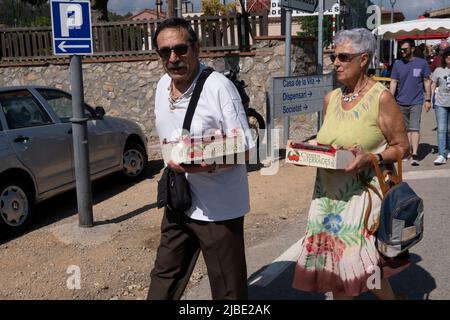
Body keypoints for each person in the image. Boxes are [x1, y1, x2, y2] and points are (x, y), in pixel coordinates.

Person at [292, 28, 411, 300]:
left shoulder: (381, 98)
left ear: (364, 59)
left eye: (344, 57)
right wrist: (306, 153)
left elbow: (403, 147)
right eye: (335, 56)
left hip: (362, 196)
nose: (336, 63)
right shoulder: (330, 99)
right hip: (326, 197)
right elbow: (329, 143)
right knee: (337, 269)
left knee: (359, 265)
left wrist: (372, 157)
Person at [147, 18, 255, 300]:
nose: (173, 58)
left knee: (227, 288)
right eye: (165, 52)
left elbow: (246, 147)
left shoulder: (218, 87)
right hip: (179, 199)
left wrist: (206, 162)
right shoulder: (162, 86)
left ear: (196, 48)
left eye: (180, 49)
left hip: (218, 209)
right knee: (164, 277)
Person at [390, 38, 432, 166]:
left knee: (415, 128)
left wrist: (428, 99)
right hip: (401, 101)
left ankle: (415, 154)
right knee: (405, 130)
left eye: (405, 49)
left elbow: (427, 81)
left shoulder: (422, 63)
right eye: (401, 49)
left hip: (416, 101)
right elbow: (393, 82)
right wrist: (390, 100)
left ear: (412, 49)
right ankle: (407, 153)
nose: (402, 51)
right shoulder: (397, 64)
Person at [431, 47, 450, 165]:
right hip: (441, 103)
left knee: (449, 129)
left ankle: (448, 149)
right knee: (442, 129)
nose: (449, 57)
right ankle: (441, 154)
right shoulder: (438, 70)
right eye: (447, 55)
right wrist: (430, 99)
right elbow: (433, 84)